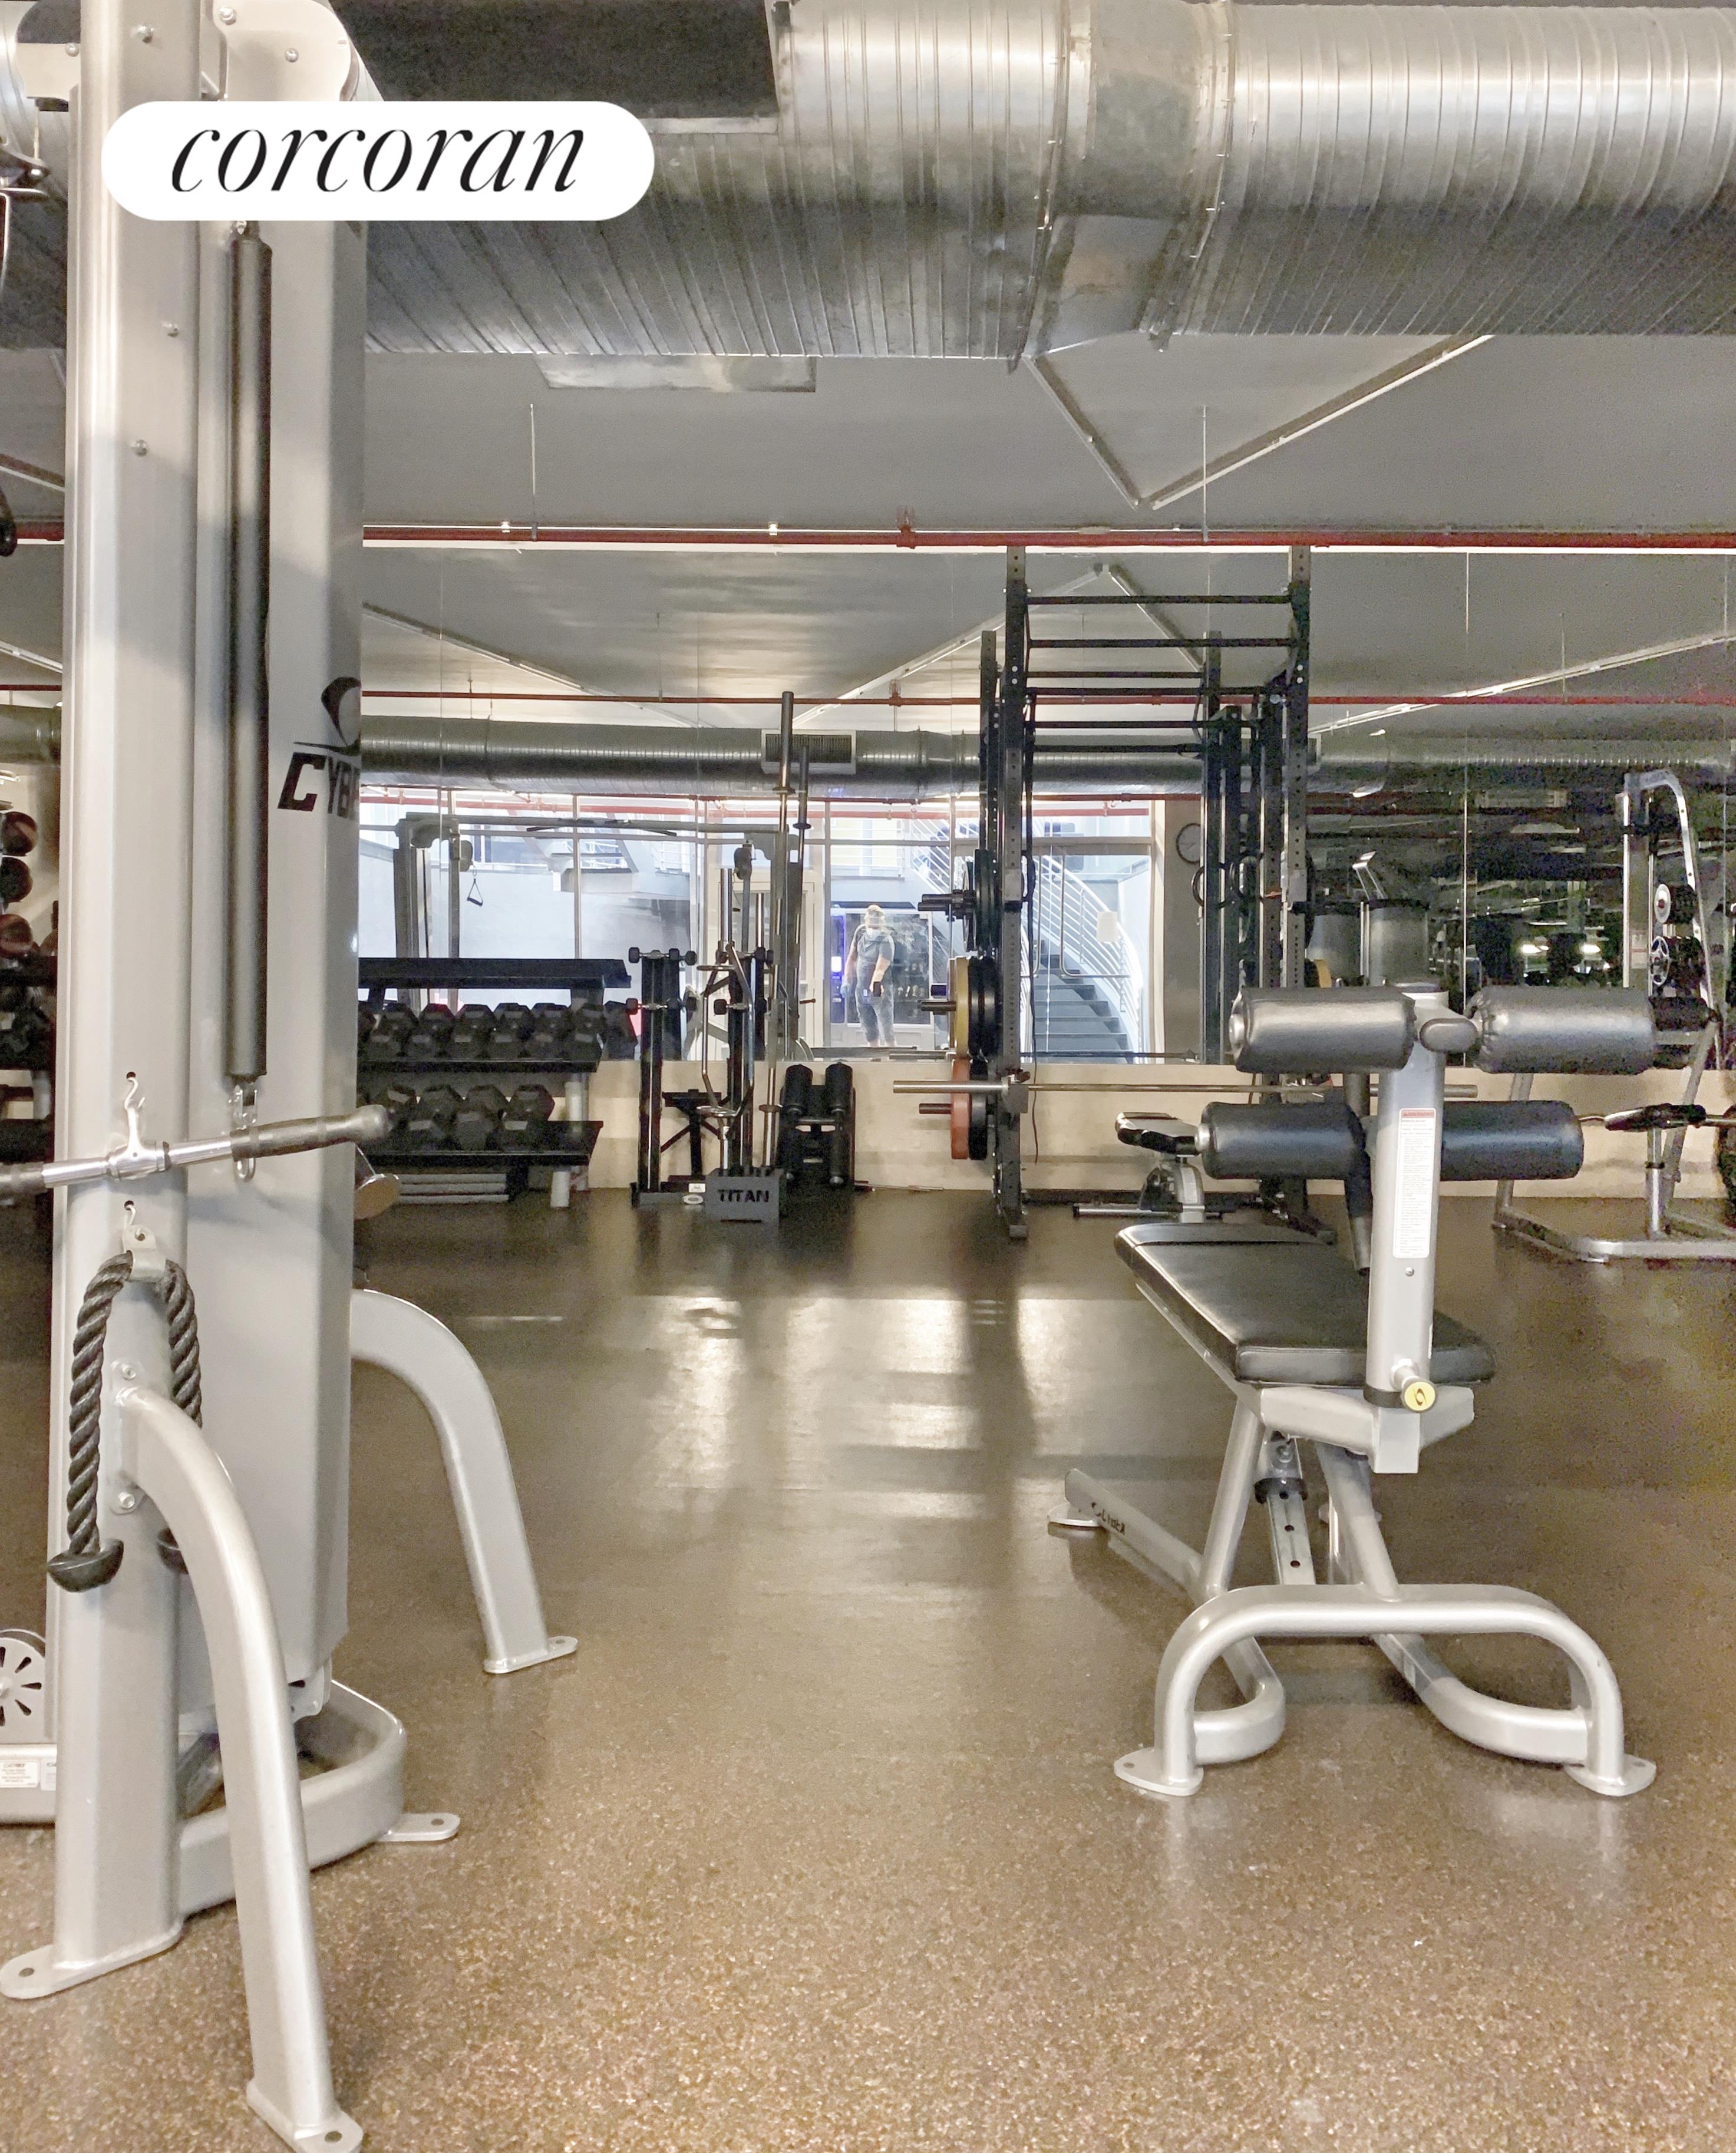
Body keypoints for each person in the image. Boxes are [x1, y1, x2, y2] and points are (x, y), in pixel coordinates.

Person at [844, 904, 898, 1047]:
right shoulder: (860, 933)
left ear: (882, 921)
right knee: (869, 1030)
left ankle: (892, 1056)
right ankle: (874, 1056)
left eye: (876, 919)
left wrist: (874, 986)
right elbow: (852, 957)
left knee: (886, 1029)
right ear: (866, 919)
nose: (873, 921)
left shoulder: (886, 941)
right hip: (861, 988)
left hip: (879, 989)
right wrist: (847, 980)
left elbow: (880, 969)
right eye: (871, 918)